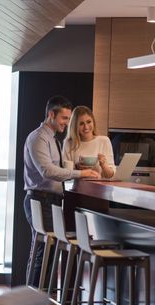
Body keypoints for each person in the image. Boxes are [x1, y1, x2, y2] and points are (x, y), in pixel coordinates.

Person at [23, 95, 99, 288]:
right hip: (40, 201)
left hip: (50, 201)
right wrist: (80, 173)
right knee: (44, 253)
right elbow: (47, 171)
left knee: (45, 253)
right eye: (64, 118)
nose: (67, 123)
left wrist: (76, 169)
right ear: (51, 115)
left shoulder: (53, 140)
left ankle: (37, 304)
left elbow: (57, 169)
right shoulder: (38, 137)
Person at [63, 105, 116, 179]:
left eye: (89, 122)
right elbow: (65, 173)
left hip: (99, 188)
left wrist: (104, 165)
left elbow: (110, 176)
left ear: (93, 122)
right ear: (75, 126)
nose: (86, 127)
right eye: (81, 124)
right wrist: (77, 169)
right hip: (76, 188)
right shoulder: (68, 143)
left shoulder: (104, 141)